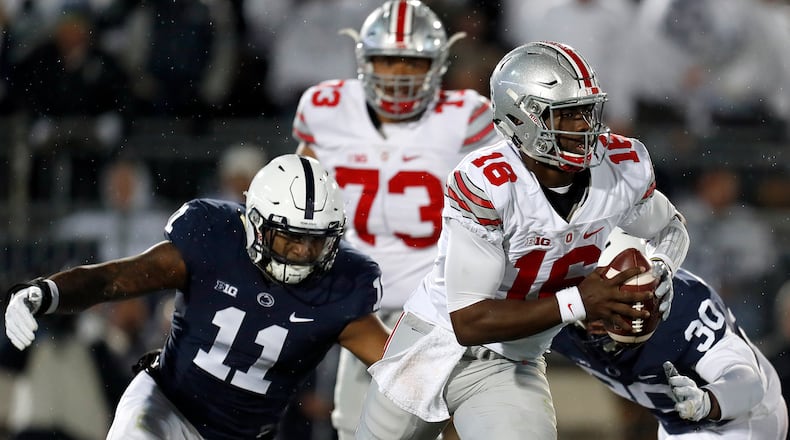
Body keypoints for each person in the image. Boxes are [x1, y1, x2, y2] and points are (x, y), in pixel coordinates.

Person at [355, 40, 690, 439]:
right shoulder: (487, 182)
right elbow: (469, 321)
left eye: (587, 110)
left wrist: (662, 268)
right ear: (522, 118)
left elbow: (670, 228)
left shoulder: (621, 167)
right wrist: (581, 301)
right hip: (430, 346)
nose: (586, 126)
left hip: (513, 362)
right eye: (567, 115)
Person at [4, 154, 390, 440]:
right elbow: (113, 279)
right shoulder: (212, 239)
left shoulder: (342, 288)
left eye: (315, 241)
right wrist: (46, 291)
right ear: (254, 223)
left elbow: (398, 369)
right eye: (289, 237)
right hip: (166, 407)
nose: (303, 253)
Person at [293, 1, 498, 438]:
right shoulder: (326, 108)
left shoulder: (467, 115)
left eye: (413, 60)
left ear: (439, 63)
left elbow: (504, 208)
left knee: (456, 423)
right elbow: (298, 195)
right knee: (354, 428)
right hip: (357, 306)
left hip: (439, 308)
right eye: (387, 60)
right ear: (364, 61)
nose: (399, 74)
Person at [551, 228, 788, 439]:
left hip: (744, 419)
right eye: (610, 305)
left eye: (637, 297)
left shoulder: (685, 307)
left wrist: (708, 401)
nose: (628, 315)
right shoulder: (556, 312)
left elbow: (750, 383)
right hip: (676, 426)